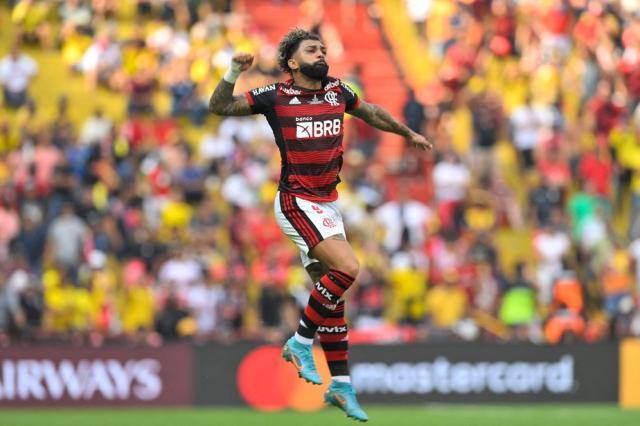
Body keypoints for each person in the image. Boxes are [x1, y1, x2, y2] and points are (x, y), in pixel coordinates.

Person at [209, 28, 432, 422]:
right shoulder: (275, 96)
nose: (321, 53)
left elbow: (372, 111)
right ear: (292, 62)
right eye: (312, 49)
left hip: (329, 203)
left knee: (332, 300)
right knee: (348, 268)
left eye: (323, 48)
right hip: (297, 200)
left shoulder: (337, 91)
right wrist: (232, 72)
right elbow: (220, 107)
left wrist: (405, 131)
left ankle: (342, 385)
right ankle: (299, 342)